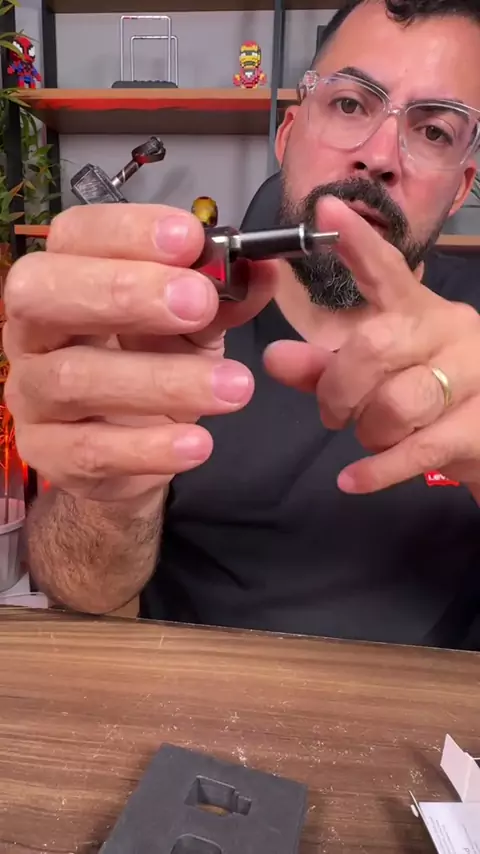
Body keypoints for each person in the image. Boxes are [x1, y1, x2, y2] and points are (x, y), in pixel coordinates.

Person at [4, 0, 480, 649]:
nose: (378, 156)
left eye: (434, 131)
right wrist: (114, 489)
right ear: (288, 137)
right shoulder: (169, 322)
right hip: (193, 702)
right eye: (349, 104)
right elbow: (81, 590)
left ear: (461, 188)